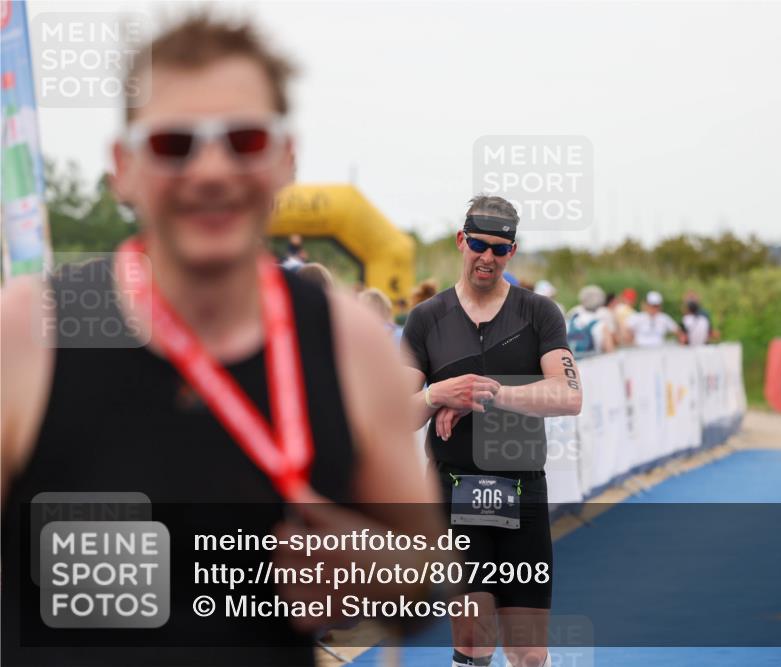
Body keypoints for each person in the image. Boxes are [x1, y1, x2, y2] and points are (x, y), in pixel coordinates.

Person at [1, 15, 442, 666]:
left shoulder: (349, 342)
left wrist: (373, 560)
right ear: (123, 168)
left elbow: (424, 572)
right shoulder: (31, 331)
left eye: (244, 139)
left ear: (285, 160)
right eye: (174, 143)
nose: (211, 169)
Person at [402, 195, 582, 667]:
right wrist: (436, 395)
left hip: (522, 490)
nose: (487, 257)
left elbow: (569, 396)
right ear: (461, 241)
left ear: (513, 252)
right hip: (455, 490)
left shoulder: (540, 313)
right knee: (475, 641)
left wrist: (487, 393)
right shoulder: (426, 318)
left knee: (528, 652)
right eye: (479, 244)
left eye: (500, 249)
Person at [566, 285, 615, 356]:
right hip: (594, 364)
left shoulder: (571, 318)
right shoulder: (601, 323)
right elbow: (610, 351)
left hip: (573, 363)